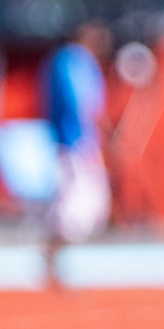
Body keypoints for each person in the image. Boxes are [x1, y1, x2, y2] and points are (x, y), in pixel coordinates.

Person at [41, 20, 113, 275]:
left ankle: (54, 258)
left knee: (89, 207)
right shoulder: (70, 61)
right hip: (74, 144)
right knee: (74, 207)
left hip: (83, 144)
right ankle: (51, 257)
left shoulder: (84, 64)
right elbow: (80, 106)